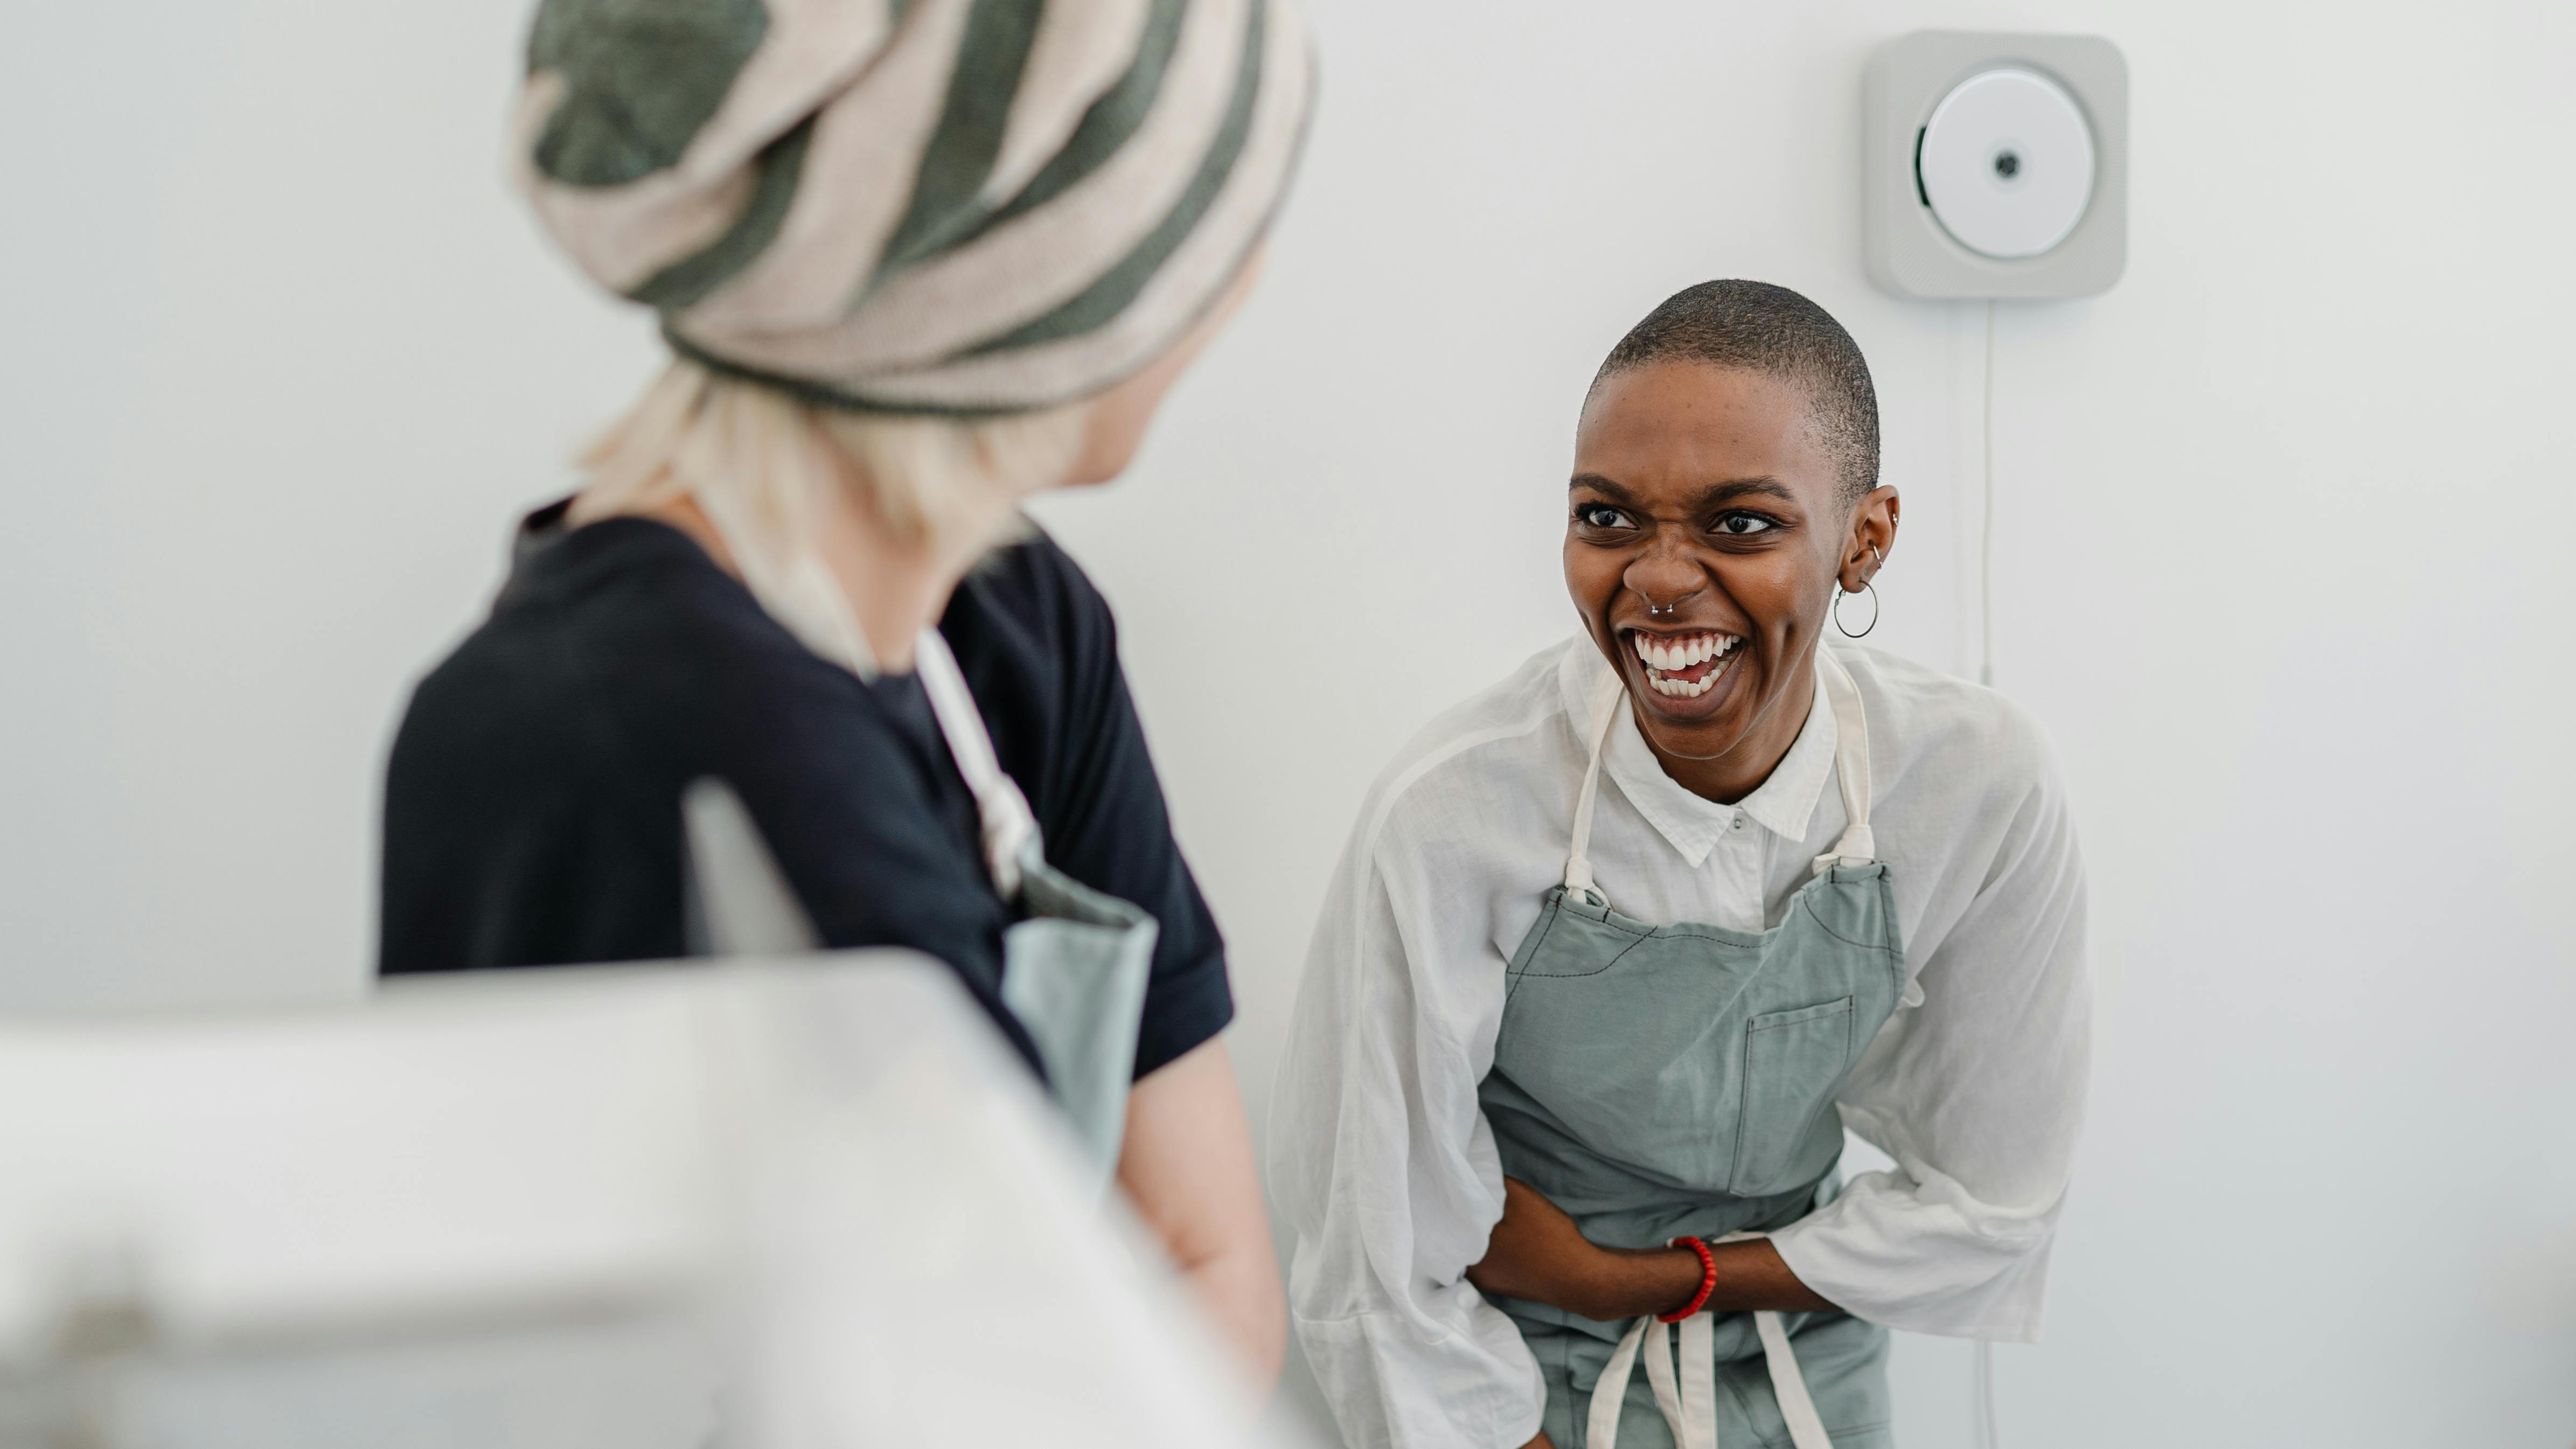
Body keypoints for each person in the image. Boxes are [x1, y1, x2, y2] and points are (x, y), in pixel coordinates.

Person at [379, 0, 1314, 1384]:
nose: (1245, 279)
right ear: (1029, 284)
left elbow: (1204, 1264)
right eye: (1205, 230)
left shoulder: (1012, 620)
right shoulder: (606, 745)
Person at [1270, 281, 2090, 1447]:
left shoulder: (1974, 784)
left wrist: (1644, 1278)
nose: (1657, 580)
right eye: (1607, 519)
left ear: (1866, 538)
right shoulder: (1455, 813)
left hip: (1810, 1357)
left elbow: (1997, 1206)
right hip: (1516, 1370)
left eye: (1739, 524)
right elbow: (1375, 1264)